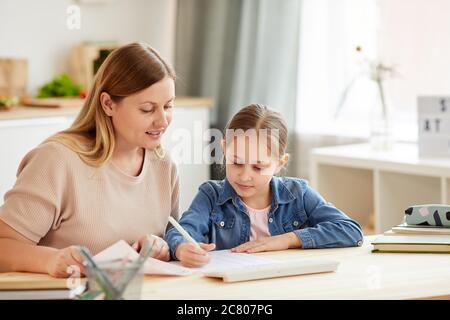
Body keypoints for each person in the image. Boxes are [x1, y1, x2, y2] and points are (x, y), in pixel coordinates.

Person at [0, 42, 179, 278]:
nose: (162, 121)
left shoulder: (164, 165)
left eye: (168, 106)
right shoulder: (57, 160)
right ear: (108, 104)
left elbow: (175, 239)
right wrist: (51, 260)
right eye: (147, 109)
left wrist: (163, 247)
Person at [165, 104, 364, 268]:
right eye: (236, 162)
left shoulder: (298, 194)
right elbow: (182, 231)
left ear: (280, 163)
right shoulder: (211, 195)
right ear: (224, 149)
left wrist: (287, 239)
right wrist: (183, 248)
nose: (244, 175)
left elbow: (350, 230)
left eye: (258, 167)